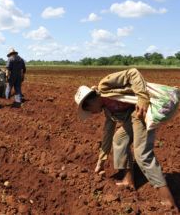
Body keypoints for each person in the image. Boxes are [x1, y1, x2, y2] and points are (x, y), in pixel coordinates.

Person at [74, 68, 177, 210]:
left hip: (142, 111)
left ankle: (167, 200)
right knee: (119, 139)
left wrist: (142, 97)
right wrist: (101, 162)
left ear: (90, 102)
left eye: (89, 109)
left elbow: (132, 73)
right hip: (134, 116)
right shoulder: (108, 111)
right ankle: (128, 180)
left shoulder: (105, 85)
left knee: (142, 154)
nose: (91, 113)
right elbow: (107, 135)